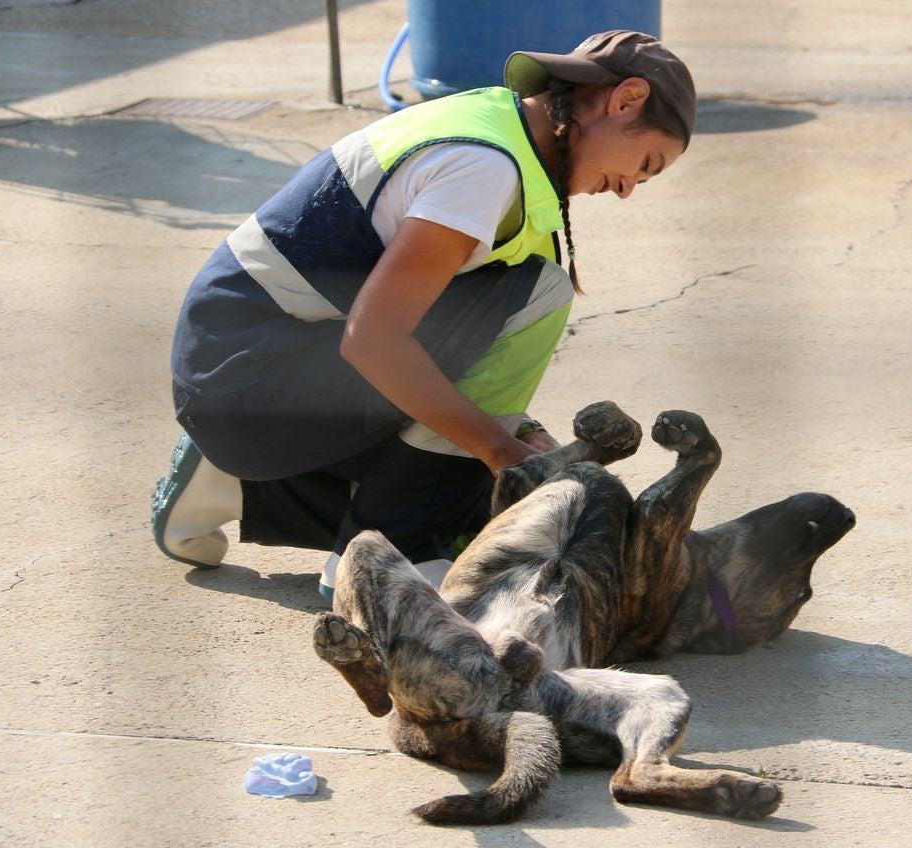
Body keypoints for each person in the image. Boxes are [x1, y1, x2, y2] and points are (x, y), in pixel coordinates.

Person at [150, 30, 696, 600]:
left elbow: (448, 338)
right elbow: (374, 341)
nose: (629, 189)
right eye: (646, 163)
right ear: (625, 99)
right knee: (537, 303)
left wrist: (517, 431)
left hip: (240, 380)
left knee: (473, 511)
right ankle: (384, 554)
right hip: (250, 382)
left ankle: (228, 488)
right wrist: (499, 448)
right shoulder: (484, 169)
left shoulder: (504, 131)